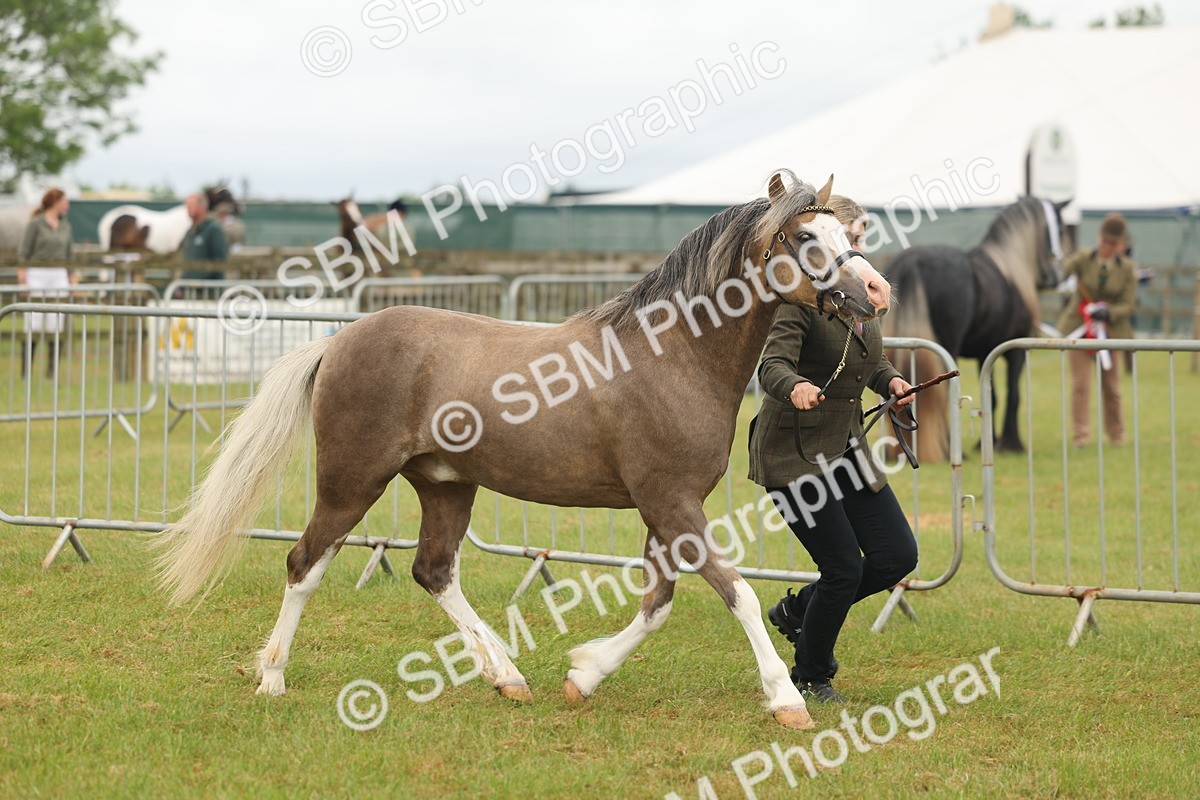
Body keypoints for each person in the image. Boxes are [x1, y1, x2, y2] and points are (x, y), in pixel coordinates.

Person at [748, 195, 918, 703]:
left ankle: (799, 611)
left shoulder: (861, 299)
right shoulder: (799, 301)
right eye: (855, 239)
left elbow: (869, 363)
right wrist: (794, 385)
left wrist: (890, 382)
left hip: (846, 450)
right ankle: (811, 673)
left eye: (863, 239)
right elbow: (771, 367)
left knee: (896, 556)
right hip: (793, 454)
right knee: (843, 568)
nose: (862, 250)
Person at [1057, 213, 1137, 447]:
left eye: (1113, 243)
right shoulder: (1083, 258)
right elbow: (1061, 271)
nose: (1107, 247)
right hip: (1079, 330)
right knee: (1080, 386)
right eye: (1105, 241)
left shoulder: (1127, 269)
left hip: (1110, 334)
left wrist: (1109, 313)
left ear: (1120, 244)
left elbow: (1129, 303)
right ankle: (1081, 437)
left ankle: (1116, 435)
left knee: (1111, 388)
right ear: (1099, 237)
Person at [18, 188, 77, 378]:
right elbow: (24, 251)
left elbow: (70, 254)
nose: (67, 206)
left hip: (58, 275)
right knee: (33, 323)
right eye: (65, 201)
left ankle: (51, 370)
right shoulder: (35, 224)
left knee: (56, 323)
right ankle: (26, 370)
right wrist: (22, 278)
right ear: (55, 202)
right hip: (37, 273)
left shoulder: (66, 226)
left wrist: (72, 278)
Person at [180, 192, 229, 280]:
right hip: (190, 288)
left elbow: (220, 260)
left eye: (191, 205)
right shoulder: (189, 232)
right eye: (187, 205)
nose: (188, 208)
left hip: (208, 289)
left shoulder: (213, 229)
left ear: (202, 206)